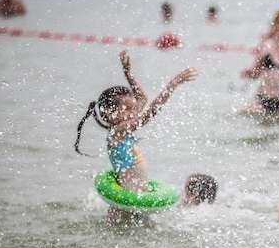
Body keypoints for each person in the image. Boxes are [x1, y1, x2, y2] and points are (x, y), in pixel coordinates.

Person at [74, 50, 197, 224]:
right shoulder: (118, 131)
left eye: (134, 108)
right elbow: (149, 113)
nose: (134, 112)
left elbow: (143, 98)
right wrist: (173, 84)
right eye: (129, 108)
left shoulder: (124, 125)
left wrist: (128, 73)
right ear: (109, 113)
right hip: (124, 208)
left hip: (137, 202)